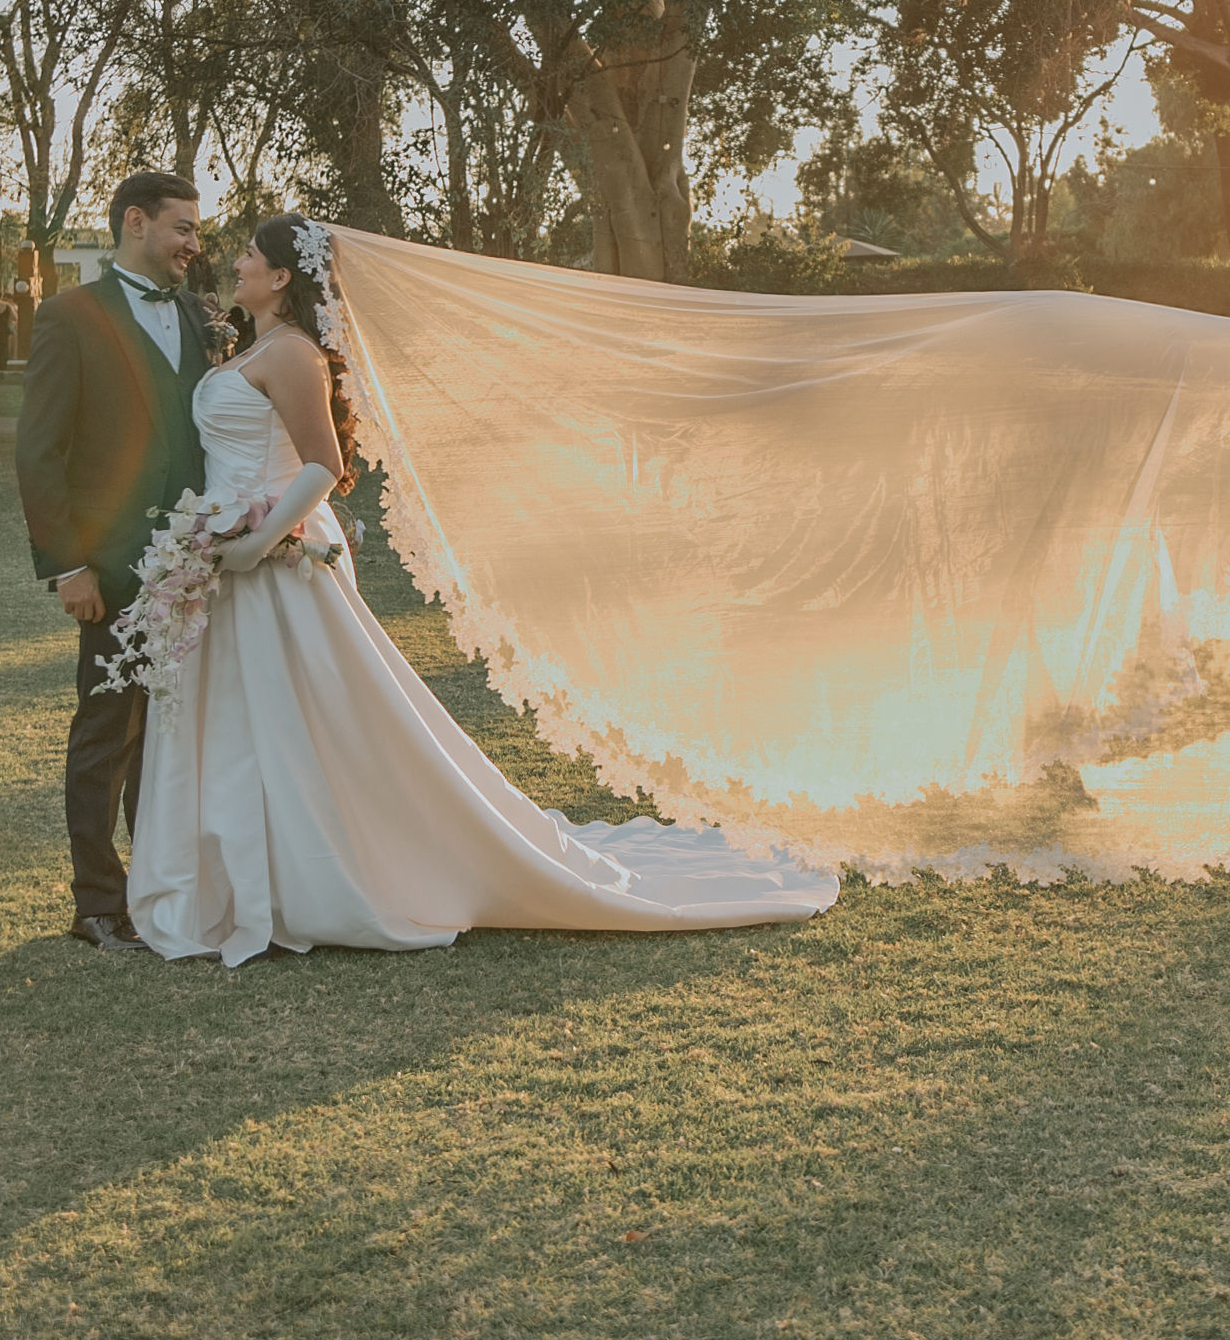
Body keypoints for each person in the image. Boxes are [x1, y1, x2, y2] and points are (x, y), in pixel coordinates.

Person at [123, 213, 838, 961]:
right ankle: (243, 880)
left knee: (302, 718)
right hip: (234, 551)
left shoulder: (295, 353)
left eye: (248, 255)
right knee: (249, 721)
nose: (233, 262)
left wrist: (256, 542)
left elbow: (322, 466)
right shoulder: (256, 344)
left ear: (280, 278)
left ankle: (317, 877)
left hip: (276, 557)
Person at [14, 173, 211, 953]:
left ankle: (160, 889)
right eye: (183, 228)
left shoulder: (199, 315)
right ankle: (97, 901)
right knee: (106, 733)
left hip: (197, 567)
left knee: (174, 735)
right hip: (114, 570)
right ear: (136, 222)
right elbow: (39, 450)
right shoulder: (68, 317)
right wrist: (68, 566)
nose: (195, 245)